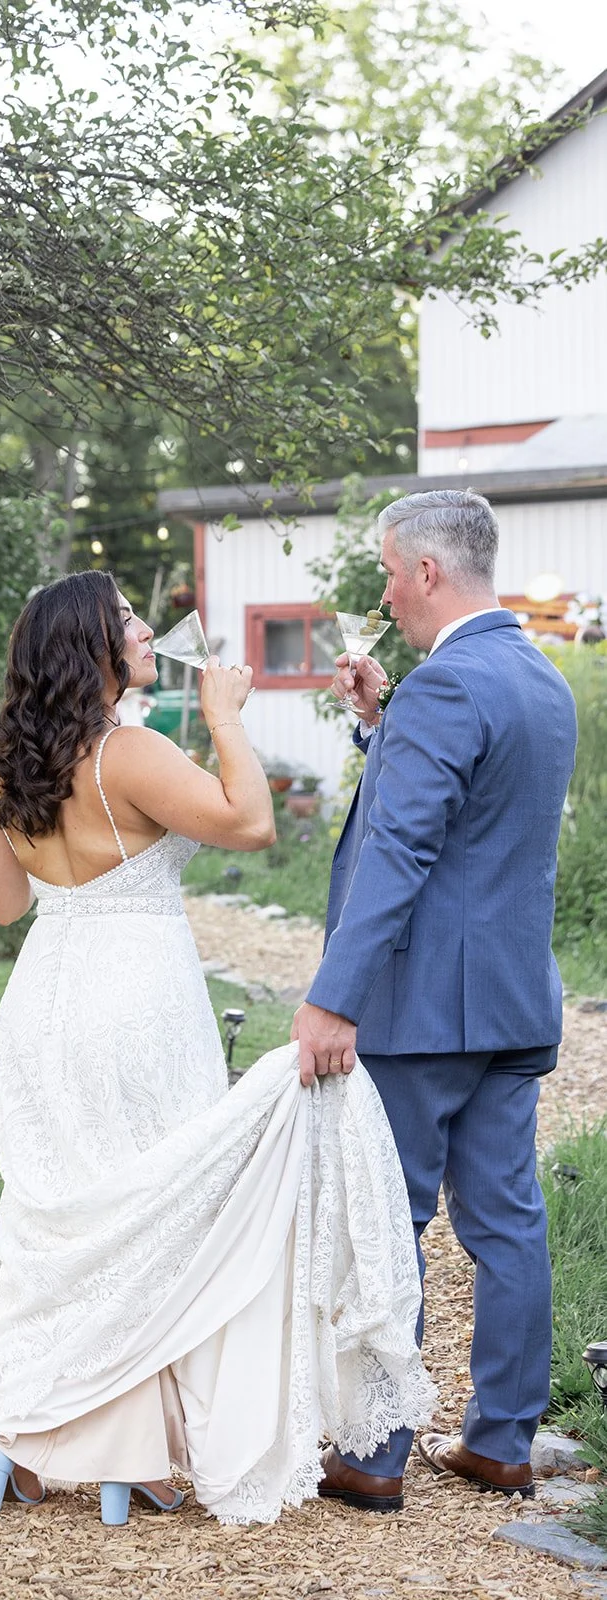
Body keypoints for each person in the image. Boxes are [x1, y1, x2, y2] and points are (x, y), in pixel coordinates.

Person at [0, 569, 433, 1527]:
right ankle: (123, 1448)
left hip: (42, 1005)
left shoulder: (1, 767)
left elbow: (4, 905)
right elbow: (252, 826)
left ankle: (36, 1438)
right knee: (159, 1214)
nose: (148, 631)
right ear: (90, 648)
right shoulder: (127, 752)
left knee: (76, 1215)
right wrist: (226, 716)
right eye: (129, 621)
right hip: (136, 1000)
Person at [296, 489, 578, 1512]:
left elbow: (402, 851)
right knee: (504, 1218)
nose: (381, 591)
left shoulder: (444, 687)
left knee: (390, 1217)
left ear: (423, 572)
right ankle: (502, 1440)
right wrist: (382, 721)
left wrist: (334, 998)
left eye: (385, 570)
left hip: (422, 1011)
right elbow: (471, 823)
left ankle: (373, 1455)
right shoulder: (537, 680)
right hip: (512, 1000)